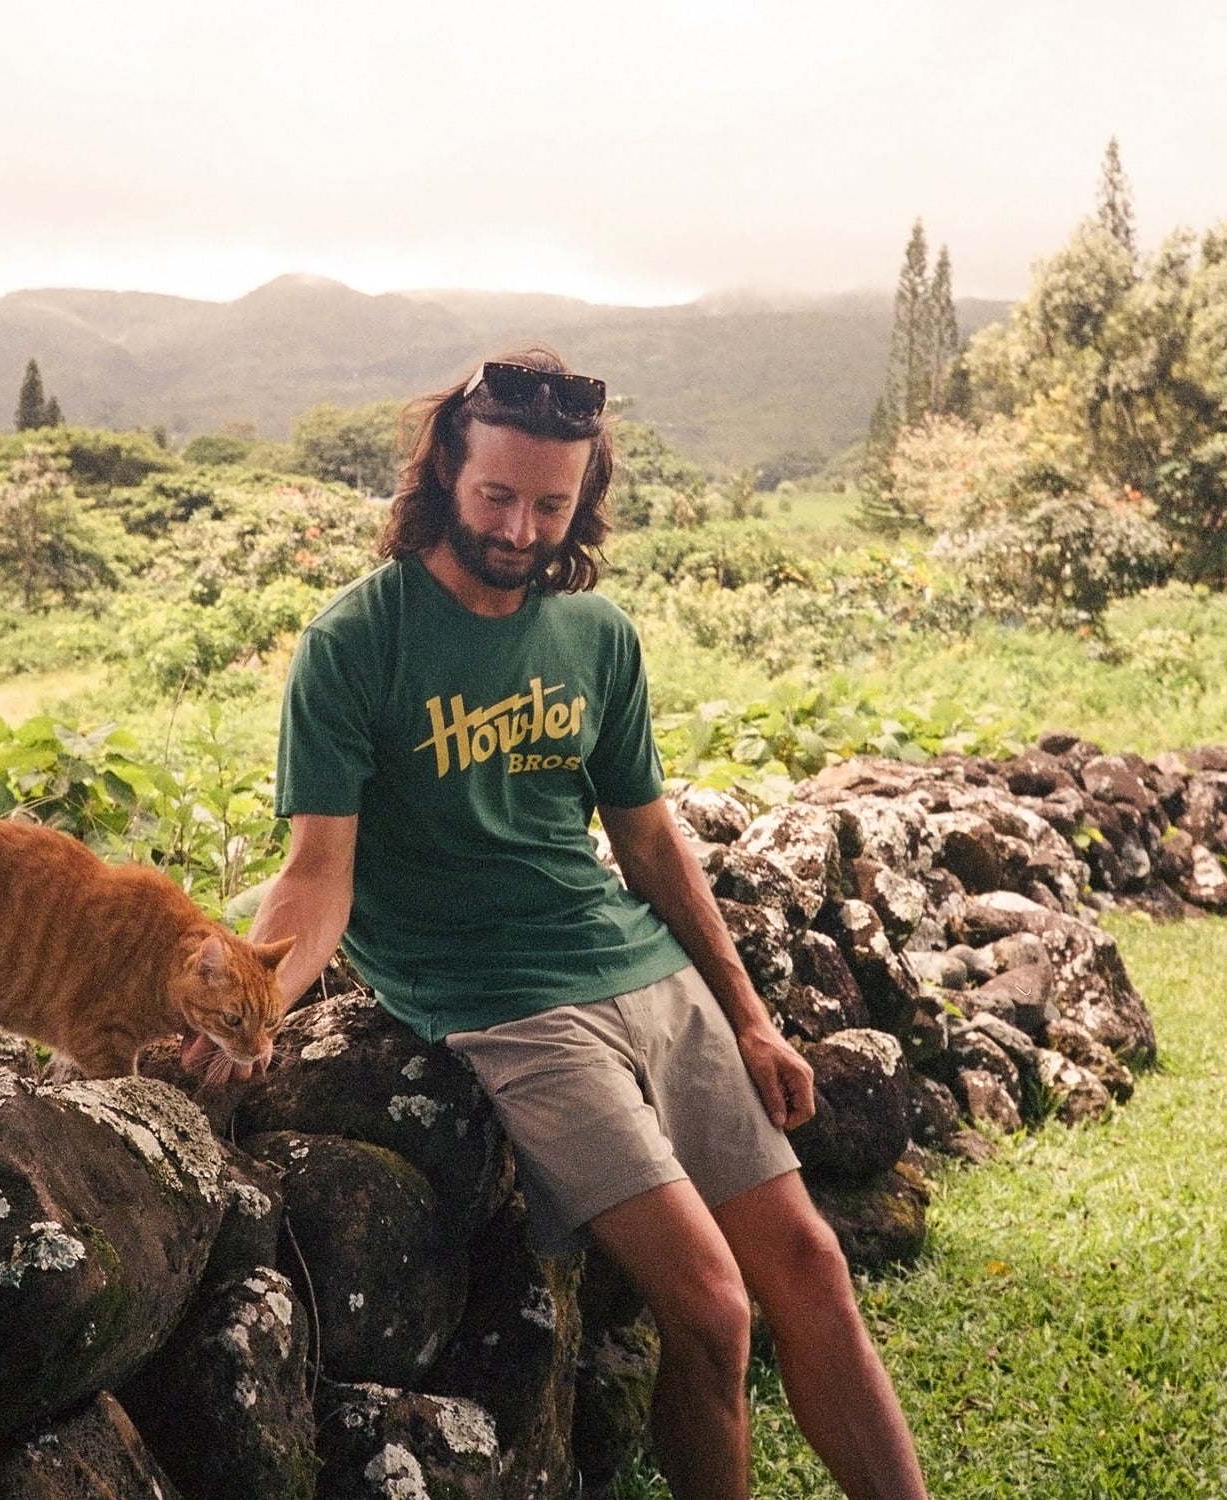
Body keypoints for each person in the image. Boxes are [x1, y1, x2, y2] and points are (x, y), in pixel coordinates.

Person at [250, 347, 929, 1500]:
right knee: (713, 1309)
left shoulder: (597, 635)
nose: (520, 529)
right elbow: (317, 875)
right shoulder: (356, 644)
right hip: (507, 1007)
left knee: (812, 1266)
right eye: (496, 496)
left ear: (584, 498)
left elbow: (650, 843)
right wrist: (249, 1002)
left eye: (549, 506)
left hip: (640, 969)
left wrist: (751, 1018)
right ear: (444, 471)